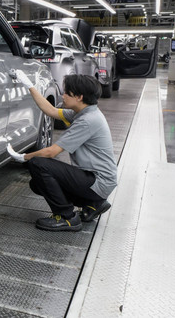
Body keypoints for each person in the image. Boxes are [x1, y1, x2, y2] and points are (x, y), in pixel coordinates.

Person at [6, 71, 117, 232]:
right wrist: (29, 85)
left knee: (38, 163)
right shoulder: (84, 112)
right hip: (98, 181)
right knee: (37, 184)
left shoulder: (87, 120)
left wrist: (23, 156)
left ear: (79, 97)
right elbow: (50, 110)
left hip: (97, 181)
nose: (62, 95)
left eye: (66, 93)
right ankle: (93, 204)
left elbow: (52, 152)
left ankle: (67, 217)